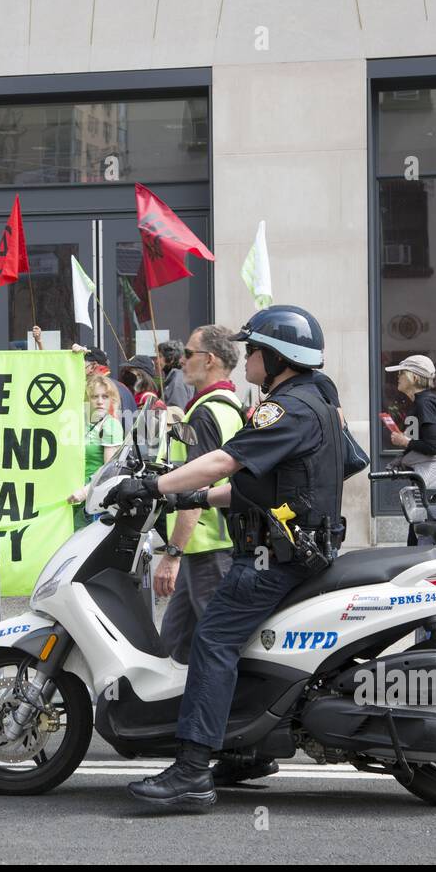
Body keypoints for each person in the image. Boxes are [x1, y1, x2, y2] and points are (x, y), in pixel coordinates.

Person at [107, 305, 343, 809]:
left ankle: (192, 771)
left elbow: (224, 461)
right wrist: (191, 497)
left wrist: (150, 485)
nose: (247, 357)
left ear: (275, 358)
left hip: (272, 557)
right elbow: (261, 487)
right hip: (290, 548)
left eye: (253, 349)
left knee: (213, 641)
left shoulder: (285, 407)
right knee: (244, 645)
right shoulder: (314, 400)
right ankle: (245, 750)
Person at [153, 325, 246, 663]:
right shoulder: (228, 403)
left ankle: (235, 712)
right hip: (208, 545)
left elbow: (196, 488)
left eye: (188, 354)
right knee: (173, 646)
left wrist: (172, 554)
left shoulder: (205, 412)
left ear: (209, 360)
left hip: (207, 546)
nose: (181, 361)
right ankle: (163, 712)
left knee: (217, 646)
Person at [385, 355, 436, 532]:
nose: (398, 377)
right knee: (423, 532)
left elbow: (433, 446)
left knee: (428, 533)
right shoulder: (424, 401)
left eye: (402, 373)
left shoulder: (425, 403)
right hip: (429, 479)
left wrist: (405, 440)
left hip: (434, 480)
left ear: (414, 378)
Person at [66, 375, 124, 528]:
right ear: (87, 399)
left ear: (111, 399)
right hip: (70, 493)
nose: (99, 401)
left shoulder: (110, 426)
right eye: (94, 396)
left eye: (105, 396)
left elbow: (109, 470)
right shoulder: (79, 422)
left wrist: (85, 492)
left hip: (91, 499)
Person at [157, 339, 194, 410]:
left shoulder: (177, 381)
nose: (157, 360)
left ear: (171, 359)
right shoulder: (174, 378)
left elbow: (176, 414)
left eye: (160, 356)